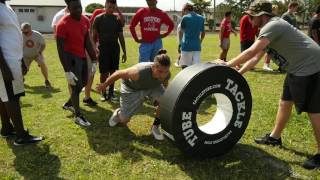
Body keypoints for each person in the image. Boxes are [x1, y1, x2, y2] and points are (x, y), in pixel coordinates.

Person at [222, 0, 320, 169]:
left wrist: (226, 64)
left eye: (252, 16)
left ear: (262, 15)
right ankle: (275, 137)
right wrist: (237, 73)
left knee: (315, 112)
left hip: (311, 67)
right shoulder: (268, 29)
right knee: (284, 103)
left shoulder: (273, 25)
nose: (250, 20)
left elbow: (251, 51)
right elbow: (255, 58)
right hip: (296, 68)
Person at [97, 49, 171, 141]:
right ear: (153, 67)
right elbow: (118, 73)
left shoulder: (166, 74)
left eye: (165, 72)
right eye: (160, 71)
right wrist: (104, 85)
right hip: (131, 88)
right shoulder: (138, 72)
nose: (163, 75)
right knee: (124, 120)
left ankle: (155, 127)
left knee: (165, 102)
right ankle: (118, 113)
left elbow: (164, 85)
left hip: (151, 87)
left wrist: (160, 103)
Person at [0, 0, 43, 145]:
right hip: (6, 61)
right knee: (13, 97)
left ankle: (6, 128)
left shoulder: (6, 6)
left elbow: (13, 34)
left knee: (4, 96)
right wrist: (3, 66)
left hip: (14, 59)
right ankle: (21, 136)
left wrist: (21, 61)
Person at [56, 0, 97, 127]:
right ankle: (78, 116)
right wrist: (67, 70)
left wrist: (94, 59)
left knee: (84, 83)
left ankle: (69, 104)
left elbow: (87, 42)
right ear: (68, 8)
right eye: (75, 8)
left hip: (82, 56)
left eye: (79, 7)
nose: (78, 10)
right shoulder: (62, 24)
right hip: (70, 58)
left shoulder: (85, 20)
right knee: (75, 86)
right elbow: (60, 50)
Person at [92, 0, 127, 102]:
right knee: (104, 72)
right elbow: (94, 35)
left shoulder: (117, 19)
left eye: (113, 7)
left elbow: (121, 36)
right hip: (103, 49)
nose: (111, 9)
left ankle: (111, 93)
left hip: (115, 49)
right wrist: (94, 49)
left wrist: (124, 51)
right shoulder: (98, 19)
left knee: (113, 72)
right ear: (105, 6)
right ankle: (103, 92)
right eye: (109, 7)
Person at [21, 22, 51, 87]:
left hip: (37, 54)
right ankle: (22, 78)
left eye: (26, 32)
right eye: (23, 32)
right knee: (23, 70)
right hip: (26, 56)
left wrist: (40, 51)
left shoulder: (37, 35)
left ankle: (46, 80)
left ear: (30, 29)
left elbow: (43, 45)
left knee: (42, 63)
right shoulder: (20, 35)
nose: (25, 34)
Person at [179, 3, 205, 69]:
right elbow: (203, 33)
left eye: (183, 10)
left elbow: (180, 31)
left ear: (186, 9)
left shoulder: (185, 17)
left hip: (186, 46)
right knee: (195, 69)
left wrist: (180, 43)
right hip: (197, 46)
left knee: (185, 67)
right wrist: (200, 41)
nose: (183, 12)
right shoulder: (201, 18)